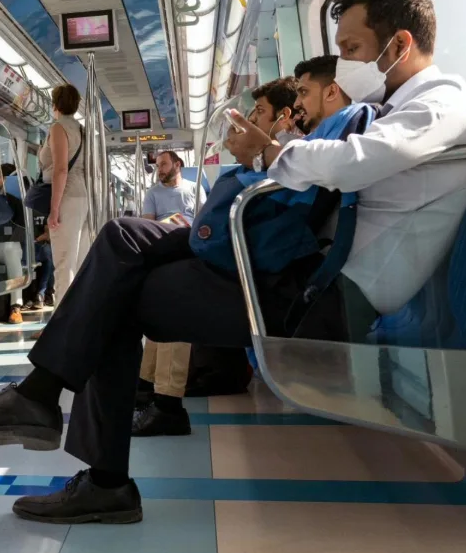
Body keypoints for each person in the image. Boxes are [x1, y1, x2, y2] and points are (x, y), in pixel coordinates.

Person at [0, 0, 466, 524]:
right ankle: (55, 419)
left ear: (400, 43)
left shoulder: (444, 104)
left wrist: (266, 156)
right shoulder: (402, 108)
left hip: (324, 298)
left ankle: (73, 440)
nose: (345, 62)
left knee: (115, 292)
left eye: (353, 47)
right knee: (122, 245)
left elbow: (356, 165)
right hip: (307, 274)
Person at [134, 59, 352, 437]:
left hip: (253, 266)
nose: (250, 119)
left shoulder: (293, 157)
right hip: (237, 252)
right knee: (133, 251)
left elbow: (274, 218)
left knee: (166, 284)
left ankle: (162, 398)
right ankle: (147, 384)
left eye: (260, 112)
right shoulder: (285, 157)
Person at [41, 84, 89, 305]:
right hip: (83, 196)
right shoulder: (81, 130)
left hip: (67, 196)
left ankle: (59, 324)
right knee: (79, 262)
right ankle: (77, 316)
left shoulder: (58, 128)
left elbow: (61, 168)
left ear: (55, 105)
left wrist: (54, 209)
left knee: (63, 262)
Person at [0, 163, 27, 324]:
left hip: (5, 246)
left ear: (3, 179)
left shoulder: (13, 202)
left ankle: (16, 306)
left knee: (11, 249)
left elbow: (22, 229)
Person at [140, 151, 200, 224]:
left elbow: (203, 219)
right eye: (158, 166)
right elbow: (148, 224)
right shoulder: (152, 193)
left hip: (190, 232)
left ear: (177, 165)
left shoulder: (195, 188)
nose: (159, 170)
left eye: (163, 164)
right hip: (163, 232)